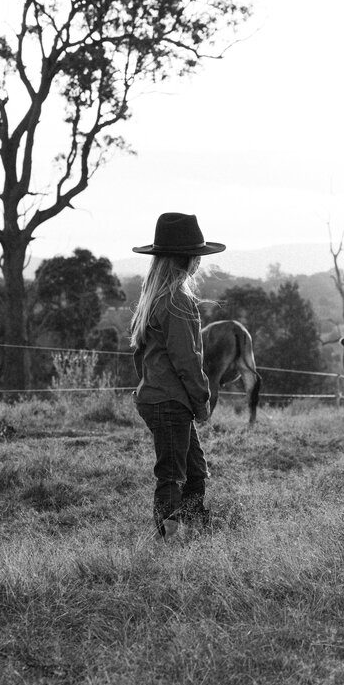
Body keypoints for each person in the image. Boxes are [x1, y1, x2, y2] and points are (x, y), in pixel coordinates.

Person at [128, 212, 225, 540]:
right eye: (197, 256)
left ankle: (194, 533)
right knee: (172, 476)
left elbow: (140, 355)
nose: (199, 262)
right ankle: (169, 542)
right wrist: (202, 401)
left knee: (195, 472)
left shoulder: (152, 299)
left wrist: (147, 386)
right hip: (170, 401)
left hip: (160, 398)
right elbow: (188, 361)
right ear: (189, 260)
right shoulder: (178, 301)